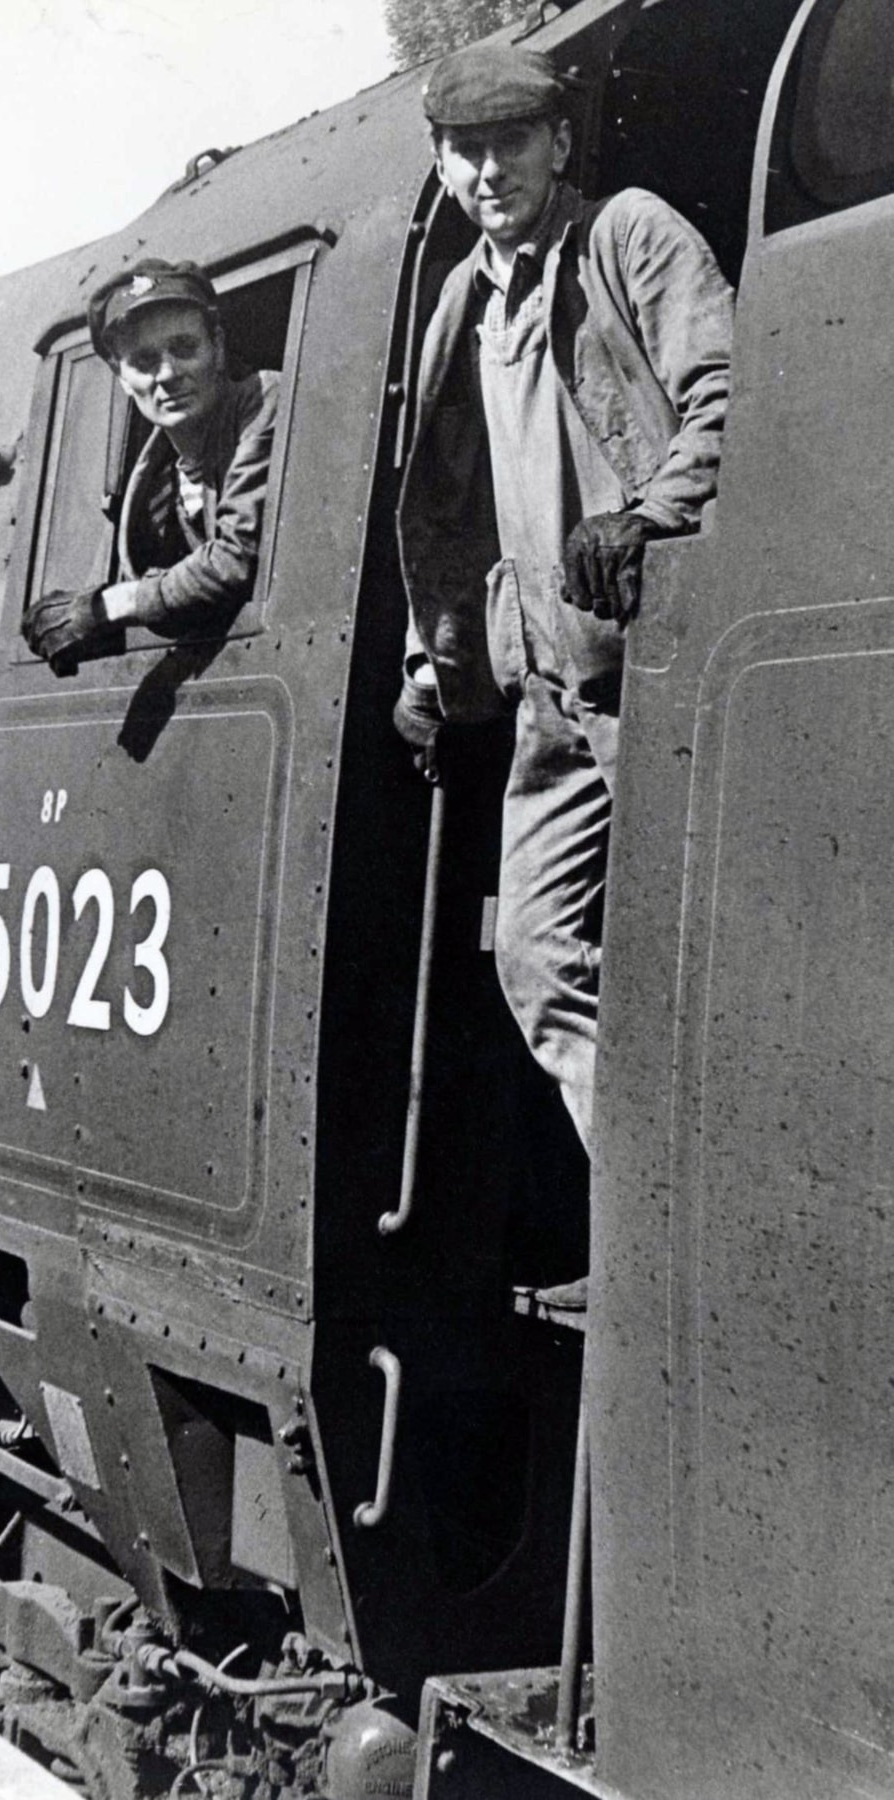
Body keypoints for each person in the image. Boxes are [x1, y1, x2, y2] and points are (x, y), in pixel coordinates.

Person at [394, 42, 733, 1292]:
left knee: (703, 966)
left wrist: (648, 515)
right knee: (538, 963)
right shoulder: (461, 306)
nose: (489, 169)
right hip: (546, 694)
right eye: (465, 150)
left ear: (559, 147)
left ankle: (704, 1252)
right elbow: (444, 511)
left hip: (662, 670)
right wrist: (436, 664)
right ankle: (656, 1231)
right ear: (441, 163)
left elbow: (726, 395)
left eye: (512, 143)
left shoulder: (627, 239)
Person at [23, 259, 279, 667]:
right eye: (143, 361)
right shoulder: (158, 478)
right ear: (120, 375)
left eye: (184, 348)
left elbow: (234, 559)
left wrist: (112, 605)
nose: (166, 373)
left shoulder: (263, 401)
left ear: (218, 345)